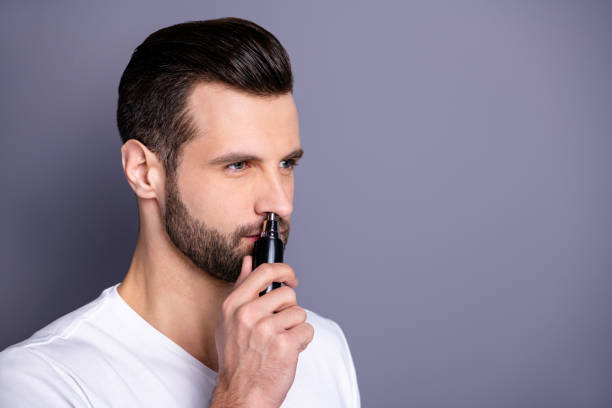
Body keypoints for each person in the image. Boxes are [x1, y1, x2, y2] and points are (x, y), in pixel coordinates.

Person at [0, 17, 360, 407]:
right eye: (238, 165)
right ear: (143, 172)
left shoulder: (320, 348)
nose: (279, 203)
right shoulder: (39, 384)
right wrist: (244, 397)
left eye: (286, 164)